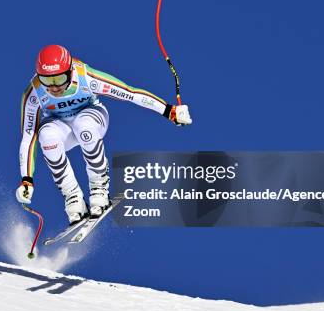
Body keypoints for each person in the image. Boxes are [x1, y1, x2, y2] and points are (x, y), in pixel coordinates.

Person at [16, 45, 192, 224]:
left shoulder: (86, 77)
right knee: (46, 136)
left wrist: (169, 111)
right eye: (47, 80)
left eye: (59, 79)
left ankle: (99, 187)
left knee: (83, 125)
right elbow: (28, 136)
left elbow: (129, 93)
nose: (54, 87)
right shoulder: (34, 93)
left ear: (69, 71)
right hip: (61, 127)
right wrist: (27, 179)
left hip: (92, 117)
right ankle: (72, 197)